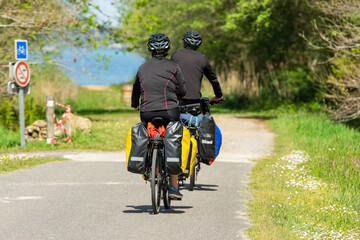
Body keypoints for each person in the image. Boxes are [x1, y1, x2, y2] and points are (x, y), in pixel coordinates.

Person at [131, 33, 186, 199]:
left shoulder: (142, 68)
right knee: (173, 138)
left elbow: (135, 91)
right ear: (168, 49)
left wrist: (135, 104)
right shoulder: (174, 67)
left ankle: (151, 166)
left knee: (151, 134)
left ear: (149, 49)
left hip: (146, 112)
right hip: (170, 111)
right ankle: (174, 187)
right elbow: (182, 91)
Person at [171, 30, 223, 105]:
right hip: (195, 100)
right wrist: (218, 96)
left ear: (184, 43)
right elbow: (213, 79)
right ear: (198, 45)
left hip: (176, 99)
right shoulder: (202, 58)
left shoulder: (175, 55)